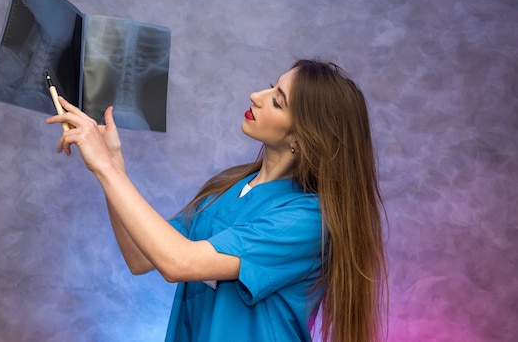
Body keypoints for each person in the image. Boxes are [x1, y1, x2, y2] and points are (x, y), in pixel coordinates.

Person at [47, 59, 388, 342]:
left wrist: (106, 169)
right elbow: (141, 257)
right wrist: (113, 164)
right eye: (271, 86)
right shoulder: (229, 187)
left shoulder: (308, 220)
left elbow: (178, 262)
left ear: (302, 138)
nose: (256, 95)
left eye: (277, 100)